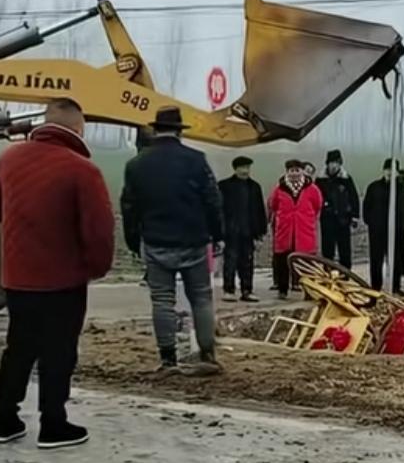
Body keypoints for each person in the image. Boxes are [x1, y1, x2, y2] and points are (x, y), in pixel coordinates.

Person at [0, 99, 115, 448]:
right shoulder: (82, 170)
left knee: (19, 346)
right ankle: (53, 423)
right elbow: (99, 230)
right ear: (78, 128)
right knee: (59, 351)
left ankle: (4, 418)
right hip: (62, 280)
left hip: (17, 277)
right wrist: (95, 267)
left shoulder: (8, 159)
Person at [120, 106, 223, 372]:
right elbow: (212, 201)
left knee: (162, 300)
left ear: (155, 130)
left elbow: (129, 207)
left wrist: (134, 241)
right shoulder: (197, 160)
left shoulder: (137, 164)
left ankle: (167, 359)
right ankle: (207, 355)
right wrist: (218, 234)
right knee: (201, 298)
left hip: (156, 241)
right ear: (179, 130)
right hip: (194, 240)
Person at [268, 158, 323, 298]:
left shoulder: (312, 189)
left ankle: (309, 291)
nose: (294, 174)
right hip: (285, 230)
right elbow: (273, 205)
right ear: (287, 172)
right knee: (282, 261)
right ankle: (282, 289)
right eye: (291, 171)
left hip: (304, 229)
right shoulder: (279, 189)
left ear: (302, 171)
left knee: (306, 263)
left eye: (297, 170)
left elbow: (318, 205)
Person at [218, 156, 267, 301]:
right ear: (236, 169)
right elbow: (218, 210)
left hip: (249, 232)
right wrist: (218, 234)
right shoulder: (224, 186)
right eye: (242, 167)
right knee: (230, 262)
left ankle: (247, 290)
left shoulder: (254, 187)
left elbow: (260, 211)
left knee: (247, 262)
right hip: (231, 232)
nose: (245, 171)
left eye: (247, 167)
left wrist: (260, 234)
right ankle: (229, 290)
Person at [362, 158, 404, 292]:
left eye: (393, 170)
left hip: (396, 232)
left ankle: (396, 287)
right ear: (383, 171)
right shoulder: (374, 187)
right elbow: (366, 206)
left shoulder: (402, 188)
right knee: (376, 261)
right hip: (377, 231)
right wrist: (371, 222)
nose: (390, 173)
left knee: (396, 261)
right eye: (388, 170)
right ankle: (375, 287)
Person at [316, 148, 361, 269]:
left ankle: (345, 274)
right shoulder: (320, 180)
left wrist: (355, 216)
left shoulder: (346, 179)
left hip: (343, 219)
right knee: (327, 249)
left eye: (337, 163)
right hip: (327, 219)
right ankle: (327, 273)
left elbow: (354, 197)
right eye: (332, 163)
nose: (334, 166)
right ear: (327, 164)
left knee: (344, 249)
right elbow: (315, 197)